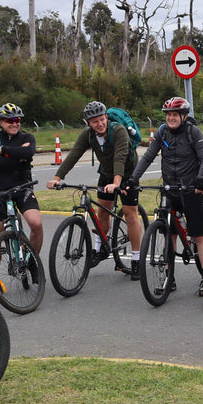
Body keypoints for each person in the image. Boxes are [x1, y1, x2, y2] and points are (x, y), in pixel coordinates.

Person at [47, 100, 143, 279]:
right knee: (102, 213)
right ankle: (100, 249)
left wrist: (117, 183)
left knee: (130, 214)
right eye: (94, 121)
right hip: (106, 173)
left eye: (101, 119)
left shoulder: (118, 130)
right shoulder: (88, 134)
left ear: (106, 117)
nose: (99, 124)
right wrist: (57, 178)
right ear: (88, 123)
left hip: (128, 173)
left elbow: (120, 157)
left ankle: (137, 260)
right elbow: (74, 155)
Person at [128, 96, 203, 296]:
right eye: (168, 115)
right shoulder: (162, 132)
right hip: (169, 190)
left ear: (183, 116)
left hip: (190, 190)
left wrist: (200, 179)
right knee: (169, 234)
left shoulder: (193, 132)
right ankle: (169, 278)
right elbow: (148, 157)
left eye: (175, 114)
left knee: (199, 236)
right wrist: (133, 179)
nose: (170, 118)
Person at [0, 103, 44, 295]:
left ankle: (32, 261)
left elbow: (29, 153)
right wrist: (17, 156)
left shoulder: (27, 138)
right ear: (1, 122)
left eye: (17, 120)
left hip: (23, 187)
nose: (15, 123)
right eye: (10, 120)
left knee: (36, 224)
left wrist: (4, 150)